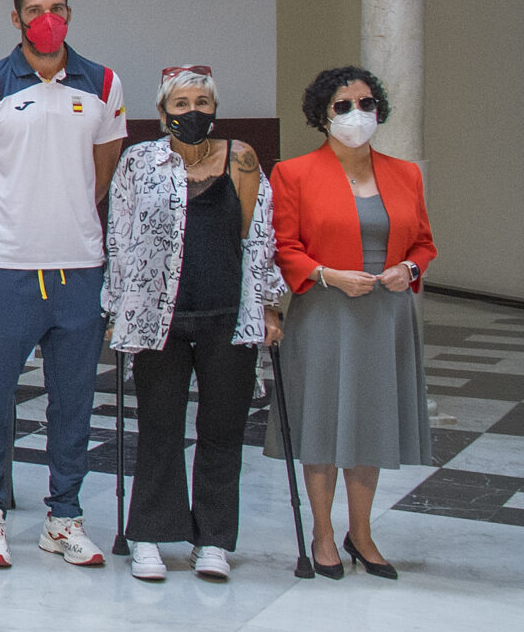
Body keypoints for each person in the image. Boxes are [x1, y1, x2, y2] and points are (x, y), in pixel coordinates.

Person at [0, 0, 125, 568]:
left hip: (79, 267)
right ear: (17, 16)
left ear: (69, 13)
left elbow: (101, 172)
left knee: (73, 400)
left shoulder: (103, 83)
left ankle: (65, 517)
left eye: (57, 6)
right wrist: (7, 228)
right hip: (6, 270)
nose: (46, 17)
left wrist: (65, 215)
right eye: (35, 8)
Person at [104, 66, 283, 582]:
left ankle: (213, 541)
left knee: (222, 431)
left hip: (227, 316)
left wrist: (269, 305)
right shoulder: (140, 161)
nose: (193, 112)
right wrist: (117, 310)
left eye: (203, 102)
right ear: (163, 114)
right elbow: (120, 238)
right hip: (158, 317)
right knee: (159, 427)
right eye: (181, 104)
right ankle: (150, 536)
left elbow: (259, 235)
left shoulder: (242, 157)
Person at [267, 66, 435, 580]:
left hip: (387, 313)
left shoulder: (405, 173)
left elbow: (424, 242)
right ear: (322, 115)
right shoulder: (292, 173)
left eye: (365, 103)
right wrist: (326, 274)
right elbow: (282, 246)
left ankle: (360, 533)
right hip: (324, 308)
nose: (356, 114)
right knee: (322, 420)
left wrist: (410, 269)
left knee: (371, 421)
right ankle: (322, 533)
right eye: (343, 105)